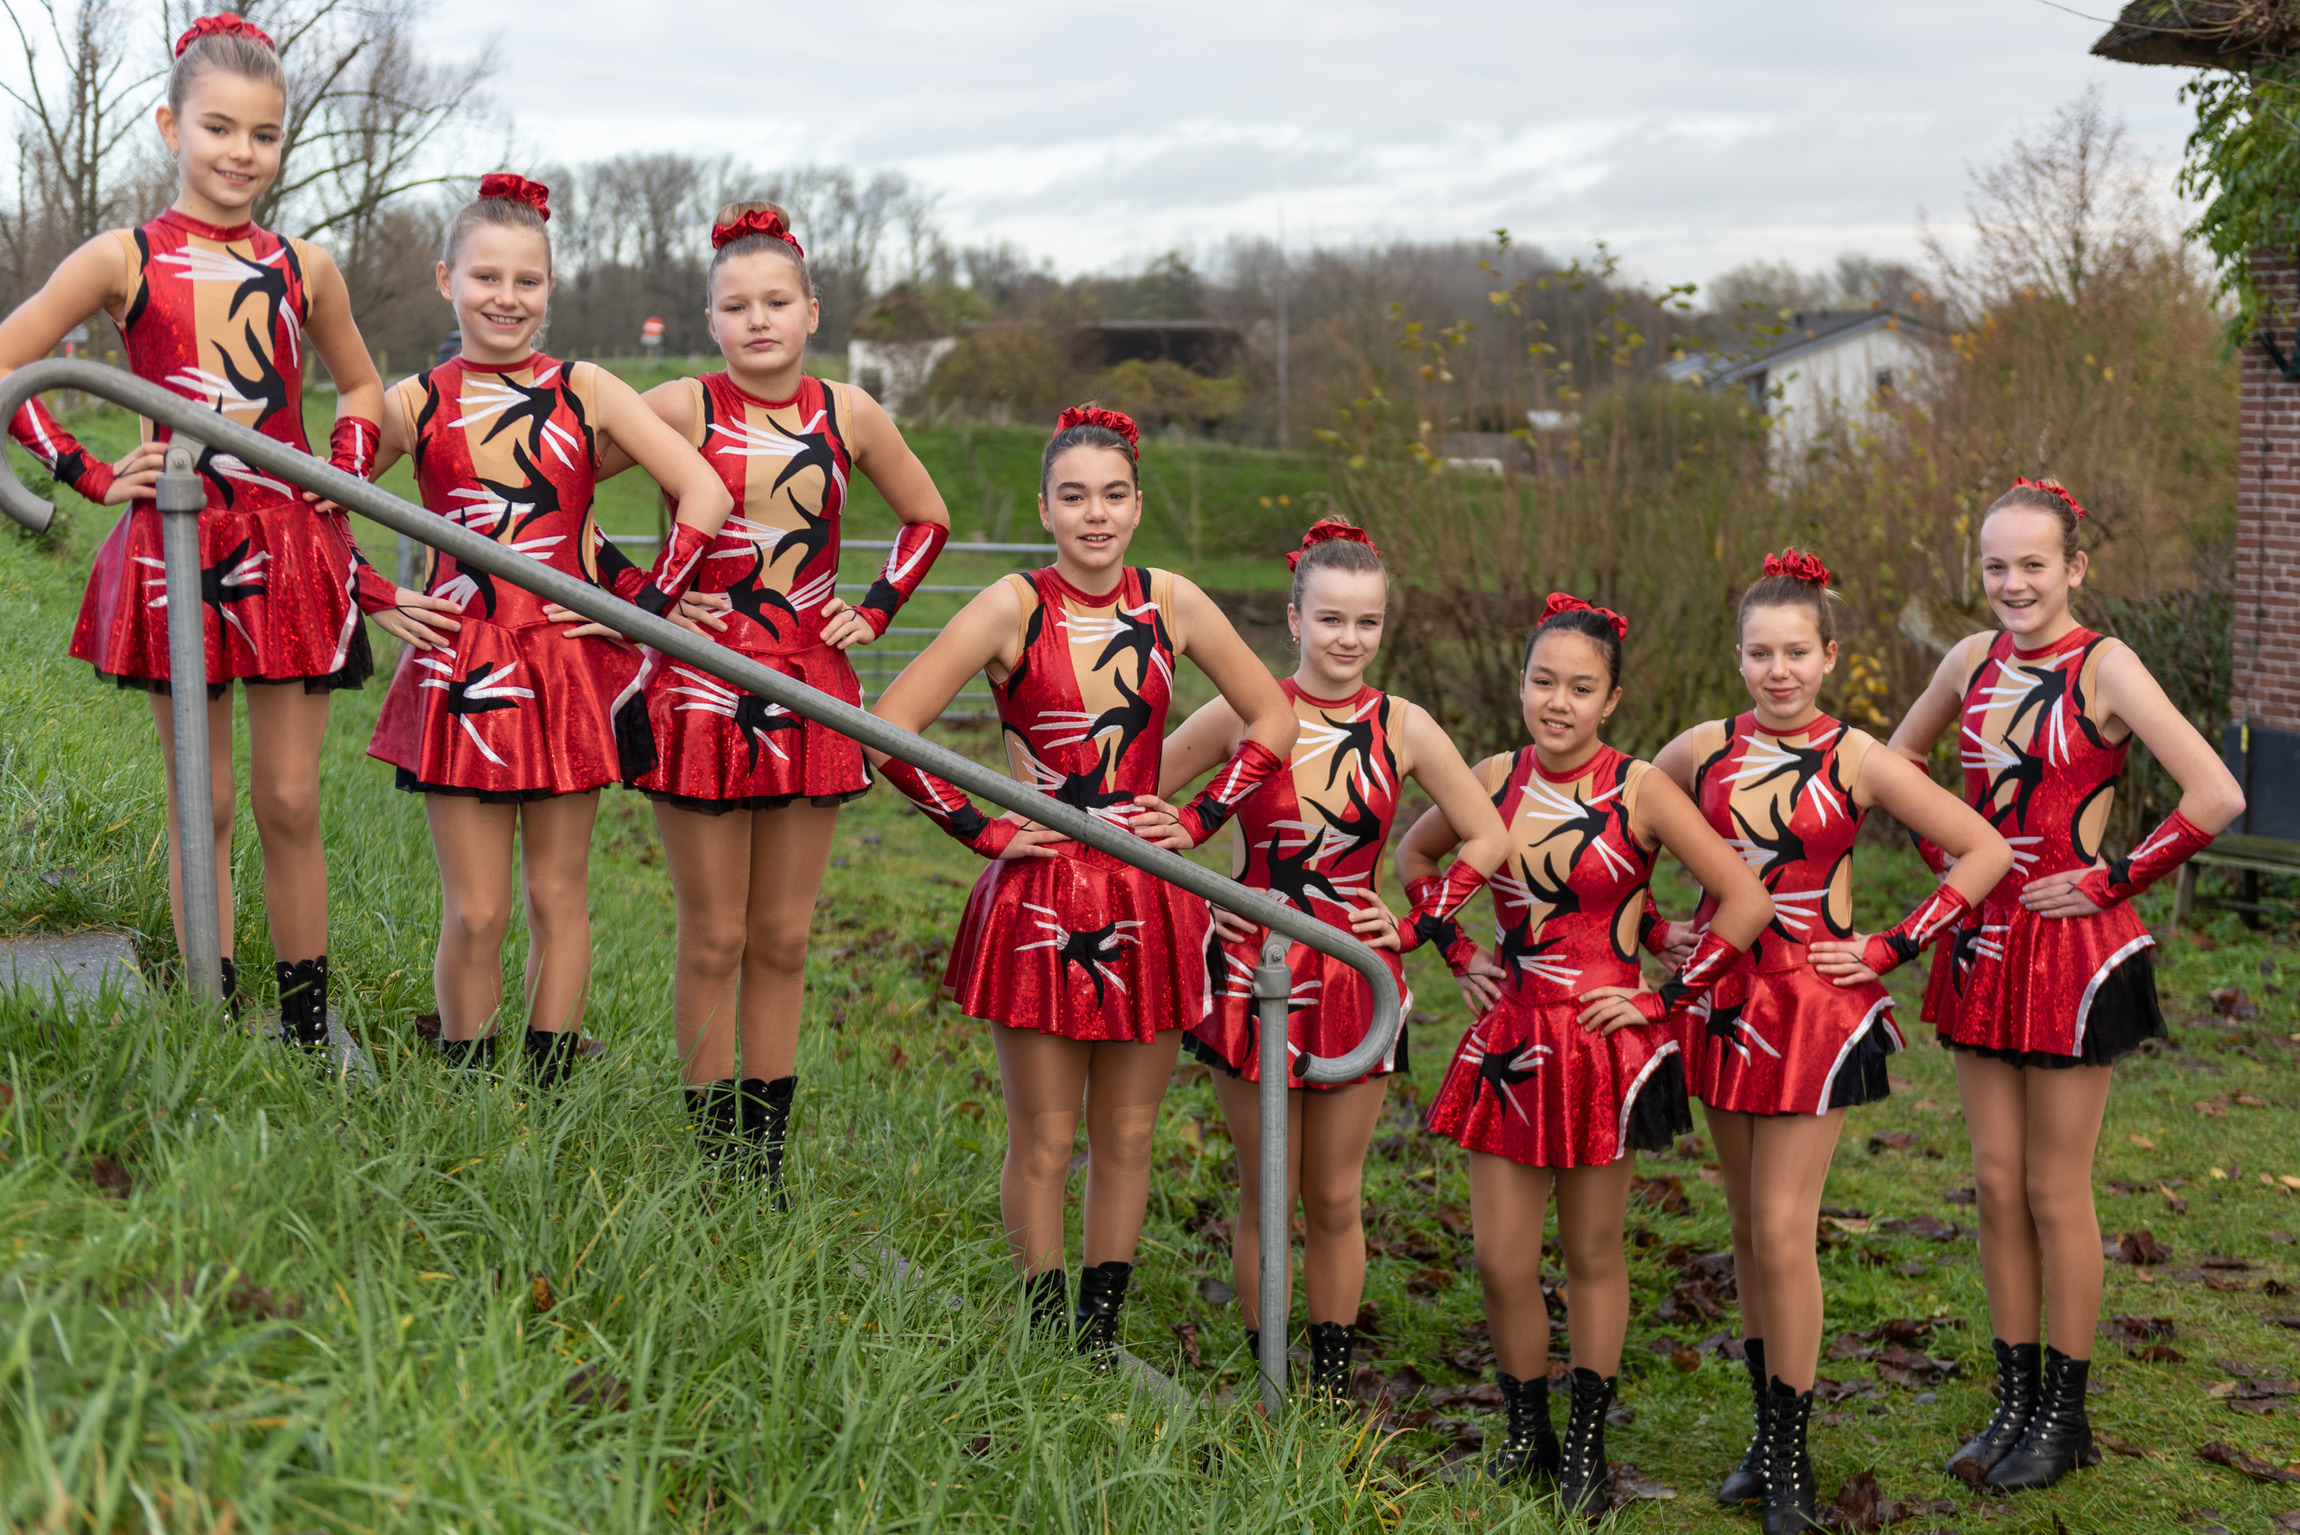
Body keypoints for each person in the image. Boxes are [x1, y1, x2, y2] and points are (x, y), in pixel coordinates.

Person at [0, 14, 450, 1041]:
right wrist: (84, 471)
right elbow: (10, 362)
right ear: (171, 128)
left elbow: (362, 385)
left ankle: (304, 1022)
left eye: (264, 133)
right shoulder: (122, 257)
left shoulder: (307, 265)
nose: (241, 152)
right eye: (219, 127)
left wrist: (344, 466)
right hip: (177, 548)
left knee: (289, 798)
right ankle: (211, 1006)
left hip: (290, 551)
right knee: (198, 799)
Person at [867, 405, 1295, 1361]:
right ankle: (1042, 1329)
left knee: (1130, 1134)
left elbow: (1272, 717)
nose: (1094, 514)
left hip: (1148, 892)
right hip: (1041, 896)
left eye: (1112, 495)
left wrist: (1197, 818)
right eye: (1073, 496)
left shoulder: (1175, 602)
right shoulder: (1011, 606)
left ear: (1137, 505)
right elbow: (889, 726)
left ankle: (1096, 1338)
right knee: (1046, 1138)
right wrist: (981, 827)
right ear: (1045, 509)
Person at [1883, 480, 2242, 1494]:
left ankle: (2066, 1414)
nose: (2012, 582)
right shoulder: (1967, 658)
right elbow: (1896, 760)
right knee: (1995, 1181)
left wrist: (2108, 879)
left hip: (2071, 954)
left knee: (2052, 1185)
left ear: (2074, 567)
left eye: (2032, 563)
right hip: (1981, 945)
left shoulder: (2105, 664)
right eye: (1995, 564)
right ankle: (2013, 1397)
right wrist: (1955, 862)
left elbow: (2216, 792)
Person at [1654, 550, 2010, 1533]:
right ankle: (1764, 1436)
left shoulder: (1859, 757)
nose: (1778, 670)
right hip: (1724, 1004)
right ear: (1738, 656)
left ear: (1829, 656)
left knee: (1780, 1227)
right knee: (1743, 1226)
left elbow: (1984, 850)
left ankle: (1791, 1459)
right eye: (1760, 652)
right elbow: (1619, 831)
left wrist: (1892, 944)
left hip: (1813, 1006)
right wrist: (1650, 928)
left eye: (1796, 652)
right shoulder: (1697, 751)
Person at [608, 201, 952, 1192]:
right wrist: (642, 596)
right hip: (698, 689)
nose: (757, 319)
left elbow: (926, 517)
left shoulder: (851, 412)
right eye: (735, 305)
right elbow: (559, 492)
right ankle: (711, 1158)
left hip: (810, 687)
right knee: (715, 933)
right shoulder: (679, 405)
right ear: (708, 320)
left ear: (811, 310)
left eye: (775, 301)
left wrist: (875, 609)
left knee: (785, 937)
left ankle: (762, 1164)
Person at [361, 174, 732, 1088]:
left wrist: (640, 608)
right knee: (477, 909)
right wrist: (372, 592)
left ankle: (547, 1083)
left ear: (550, 288)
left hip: (567, 665)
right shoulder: (414, 401)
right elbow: (318, 496)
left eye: (527, 281)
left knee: (558, 893)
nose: (507, 298)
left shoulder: (587, 388)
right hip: (463, 668)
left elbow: (705, 490)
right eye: (486, 277)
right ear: (446, 279)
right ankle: (468, 1088)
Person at [1406, 594, 1773, 1520]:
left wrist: (1663, 998)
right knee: (1499, 1258)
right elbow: (1415, 857)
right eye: (1544, 681)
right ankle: (1527, 1431)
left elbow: (1744, 901)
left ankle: (1585, 1447)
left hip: (1605, 1044)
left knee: (1592, 1251)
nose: (1558, 702)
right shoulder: (1490, 777)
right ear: (1520, 684)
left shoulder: (1641, 787)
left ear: (1610, 699)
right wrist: (1458, 951)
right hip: (1511, 1037)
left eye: (1581, 687)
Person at [1152, 517, 1508, 1404]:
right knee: (1266, 1192)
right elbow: (1137, 802)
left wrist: (1417, 924)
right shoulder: (1248, 710)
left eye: (1367, 621)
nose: (1349, 639)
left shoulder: (1405, 724)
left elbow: (1488, 835)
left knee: (1337, 1196)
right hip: (1252, 970)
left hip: (1354, 976)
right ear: (1294, 618)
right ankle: (1268, 1380)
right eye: (1331, 619)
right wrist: (1201, 898)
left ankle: (1332, 1390)